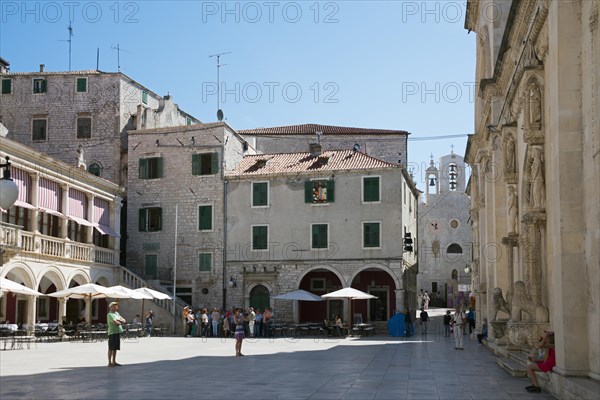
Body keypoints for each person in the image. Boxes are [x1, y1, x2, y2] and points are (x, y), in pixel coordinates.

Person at [107, 302, 126, 367]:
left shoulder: (117, 313)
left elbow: (124, 320)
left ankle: (114, 362)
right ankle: (109, 362)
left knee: (115, 348)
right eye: (114, 305)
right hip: (112, 332)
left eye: (116, 305)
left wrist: (119, 320)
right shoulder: (110, 314)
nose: (116, 306)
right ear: (111, 307)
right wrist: (119, 321)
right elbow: (116, 323)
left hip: (117, 332)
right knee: (111, 348)